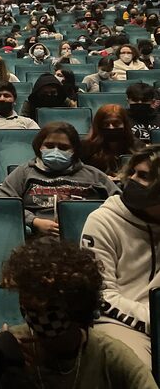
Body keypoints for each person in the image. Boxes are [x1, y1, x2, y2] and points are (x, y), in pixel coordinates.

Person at [0, 236, 157, 388]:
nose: (32, 315)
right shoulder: (0, 351)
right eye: (26, 303)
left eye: (44, 307)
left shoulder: (110, 356)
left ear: (76, 308)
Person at [81, 147, 160, 369]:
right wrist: (153, 319)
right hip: (116, 322)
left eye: (143, 176)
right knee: (136, 369)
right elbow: (101, 295)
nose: (131, 180)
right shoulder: (103, 221)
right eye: (132, 172)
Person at [0, 122, 119, 236]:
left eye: (63, 147)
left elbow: (119, 204)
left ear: (75, 150)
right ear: (39, 147)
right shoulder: (24, 172)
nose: (56, 151)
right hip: (39, 237)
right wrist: (34, 221)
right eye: (49, 146)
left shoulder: (94, 175)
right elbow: (5, 204)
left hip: (87, 234)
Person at [81, 104, 141, 177]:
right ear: (99, 126)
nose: (111, 128)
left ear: (125, 124)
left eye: (116, 124)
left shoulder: (137, 146)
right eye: (105, 124)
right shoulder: (87, 147)